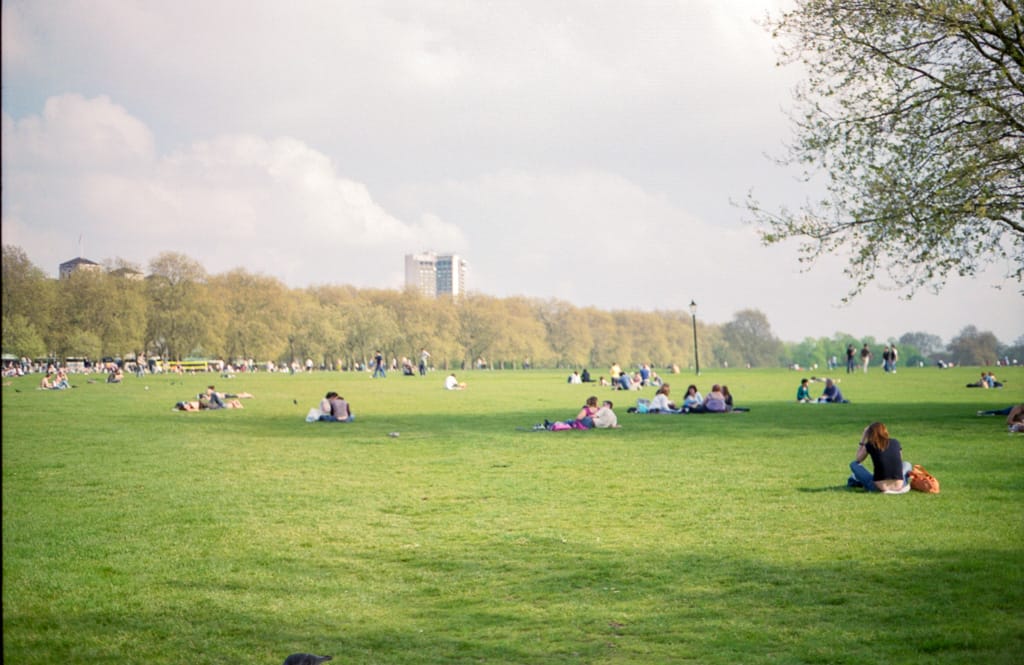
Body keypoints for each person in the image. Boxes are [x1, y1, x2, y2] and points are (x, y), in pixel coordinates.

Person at [848, 422, 912, 493]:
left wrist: (863, 438)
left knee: (853, 464)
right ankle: (904, 481)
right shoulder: (895, 442)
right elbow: (899, 461)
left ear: (870, 433)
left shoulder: (870, 444)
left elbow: (858, 459)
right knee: (907, 464)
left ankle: (855, 480)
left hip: (879, 487)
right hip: (899, 486)